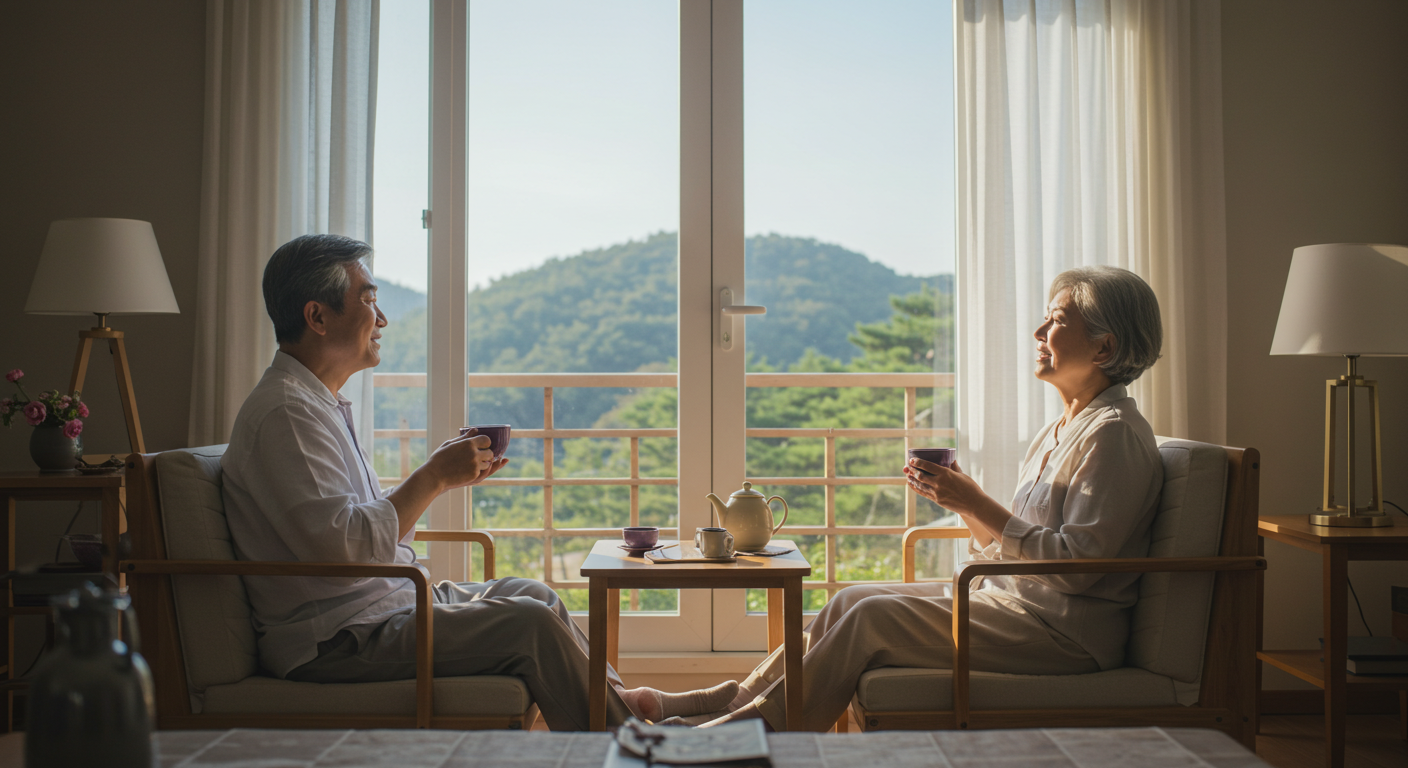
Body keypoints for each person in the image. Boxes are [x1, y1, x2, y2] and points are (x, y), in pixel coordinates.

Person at [221, 234, 735, 730]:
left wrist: (442, 478)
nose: (382, 318)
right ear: (317, 316)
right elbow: (344, 551)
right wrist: (432, 477)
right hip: (337, 637)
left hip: (381, 604)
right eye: (369, 300)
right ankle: (640, 745)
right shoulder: (287, 413)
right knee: (528, 623)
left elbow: (356, 536)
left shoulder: (317, 405)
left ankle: (625, 704)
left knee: (532, 592)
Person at [687, 265, 1166, 731]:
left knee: (870, 617)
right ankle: (735, 701)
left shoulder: (1115, 434)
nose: (1039, 332)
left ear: (1104, 347)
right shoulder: (1059, 430)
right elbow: (1014, 547)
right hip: (1012, 604)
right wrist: (963, 501)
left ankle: (744, 731)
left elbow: (1079, 568)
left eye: (1057, 321)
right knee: (851, 598)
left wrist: (978, 504)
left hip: (1063, 634)